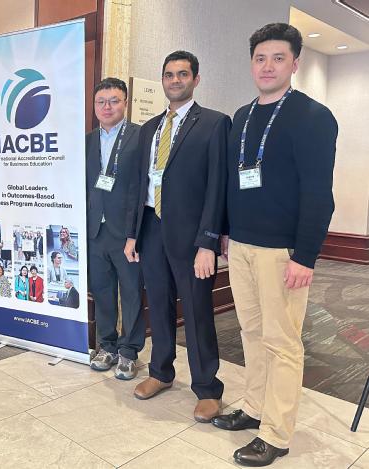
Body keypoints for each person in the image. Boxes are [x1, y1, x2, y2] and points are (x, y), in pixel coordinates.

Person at [211, 24, 338, 467]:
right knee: (250, 333)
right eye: (260, 58)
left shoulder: (313, 117)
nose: (268, 66)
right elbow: (233, 183)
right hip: (242, 246)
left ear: (294, 64)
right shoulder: (243, 115)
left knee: (282, 342)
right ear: (252, 64)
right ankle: (254, 407)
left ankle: (276, 433)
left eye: (278, 58)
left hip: (283, 253)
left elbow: (319, 193)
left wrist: (306, 255)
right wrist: (226, 233)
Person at [125, 51, 229, 422]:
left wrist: (208, 241)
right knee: (158, 303)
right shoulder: (150, 128)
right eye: (169, 74)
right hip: (151, 228)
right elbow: (140, 184)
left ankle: (207, 388)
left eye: (182, 74)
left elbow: (218, 186)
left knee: (197, 310)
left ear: (195, 79)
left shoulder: (215, 123)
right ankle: (161, 372)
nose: (175, 80)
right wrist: (133, 234)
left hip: (192, 236)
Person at [86, 77, 145, 380]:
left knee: (131, 292)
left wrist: (135, 233)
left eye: (114, 101)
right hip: (95, 231)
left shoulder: (140, 136)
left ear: (125, 103)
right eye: (101, 101)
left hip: (126, 234)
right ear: (95, 105)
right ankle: (107, 346)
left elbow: (140, 188)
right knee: (102, 291)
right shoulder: (86, 141)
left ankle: (129, 351)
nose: (107, 107)